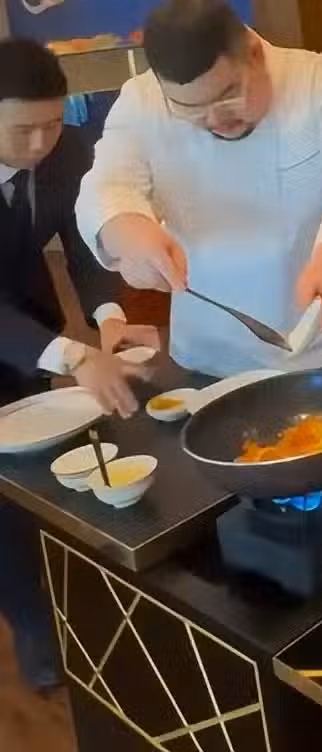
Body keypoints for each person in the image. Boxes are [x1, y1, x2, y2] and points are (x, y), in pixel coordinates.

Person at [76, 0, 322, 380]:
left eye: (228, 96)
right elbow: (108, 184)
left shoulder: (321, 84)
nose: (216, 120)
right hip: (210, 348)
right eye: (191, 110)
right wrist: (129, 233)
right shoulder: (140, 101)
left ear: (255, 54)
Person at [0, 39, 156, 690]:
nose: (40, 143)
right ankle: (34, 629)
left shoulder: (66, 151)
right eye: (22, 130)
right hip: (23, 333)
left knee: (38, 474)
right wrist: (72, 354)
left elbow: (84, 245)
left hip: (29, 330)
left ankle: (74, 603)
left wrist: (109, 321)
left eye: (51, 124)